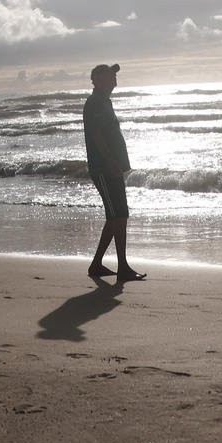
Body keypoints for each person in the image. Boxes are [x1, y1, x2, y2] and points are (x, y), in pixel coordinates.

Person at [83, 62, 144, 281]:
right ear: (98, 80)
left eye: (114, 75)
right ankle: (122, 267)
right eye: (110, 75)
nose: (114, 79)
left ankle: (98, 264)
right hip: (104, 168)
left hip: (111, 168)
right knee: (117, 215)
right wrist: (110, 161)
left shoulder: (103, 102)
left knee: (118, 215)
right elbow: (97, 135)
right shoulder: (96, 103)